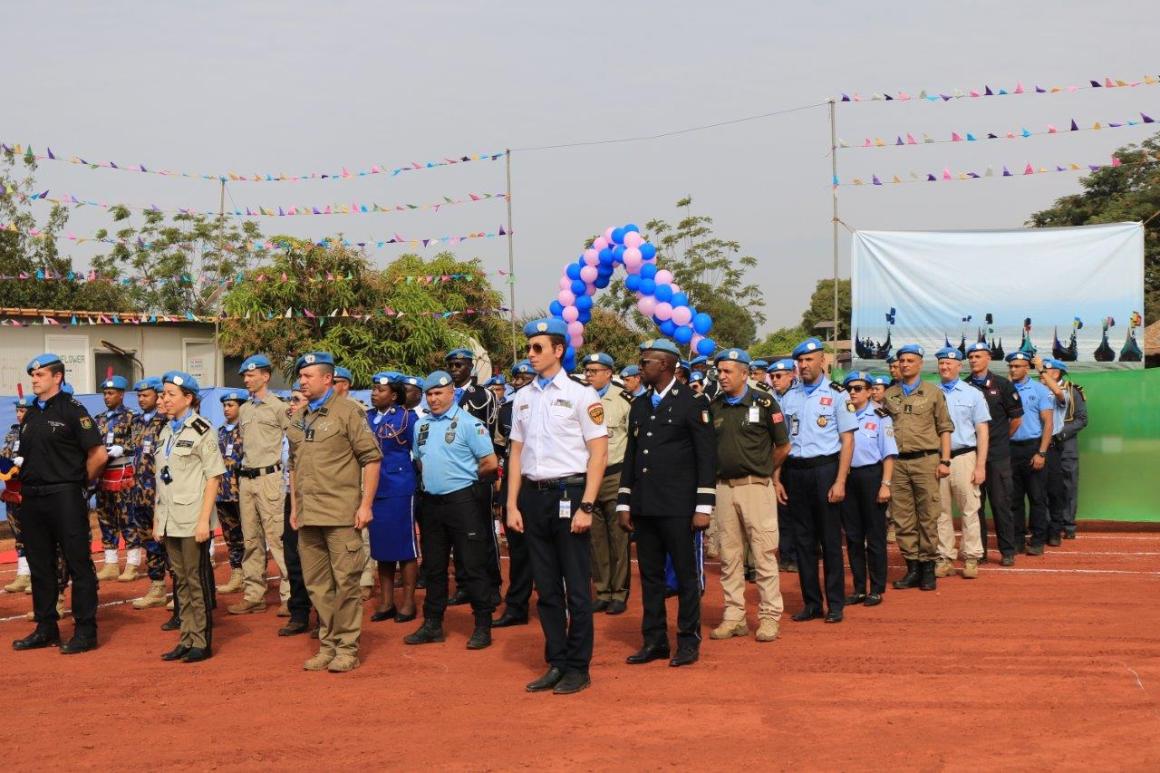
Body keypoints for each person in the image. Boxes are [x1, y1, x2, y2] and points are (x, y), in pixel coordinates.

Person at [507, 319, 608, 694]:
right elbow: (516, 453)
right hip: (533, 497)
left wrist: (587, 505)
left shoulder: (582, 394)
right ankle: (557, 661)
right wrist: (511, 504)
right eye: (529, 348)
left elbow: (599, 453)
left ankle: (578, 667)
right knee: (546, 588)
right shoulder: (523, 397)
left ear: (558, 350)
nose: (531, 354)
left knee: (577, 588)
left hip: (570, 494)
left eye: (538, 348)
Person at [618, 338, 714, 666]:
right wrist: (624, 502)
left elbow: (706, 457)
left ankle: (688, 641)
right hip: (646, 505)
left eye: (646, 362)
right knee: (651, 576)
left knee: (686, 577)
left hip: (679, 507)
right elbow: (632, 456)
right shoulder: (640, 405)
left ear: (665, 365)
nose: (640, 367)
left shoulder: (692, 402)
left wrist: (703, 506)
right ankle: (655, 640)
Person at [287, 352, 382, 673]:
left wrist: (366, 505)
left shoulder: (348, 412)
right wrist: (295, 507)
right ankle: (327, 646)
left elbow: (371, 458)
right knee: (317, 586)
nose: (302, 381)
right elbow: (294, 464)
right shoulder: (299, 417)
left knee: (346, 584)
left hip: (341, 514)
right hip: (308, 515)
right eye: (301, 376)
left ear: (327, 379)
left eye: (308, 376)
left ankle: (347, 648)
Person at [12, 354, 107, 654]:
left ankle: (85, 630)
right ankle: (46, 627)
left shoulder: (73, 410)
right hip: (32, 499)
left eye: (40, 374)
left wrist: (78, 484)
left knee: (78, 563)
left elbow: (98, 455)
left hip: (64, 495)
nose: (34, 379)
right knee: (40, 565)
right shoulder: (31, 415)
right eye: (33, 375)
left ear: (57, 377)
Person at [404, 370, 498, 650]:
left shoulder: (470, 423)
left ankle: (482, 625)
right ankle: (433, 623)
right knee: (434, 567)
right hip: (432, 504)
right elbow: (419, 460)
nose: (433, 399)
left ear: (451, 393)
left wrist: (463, 480)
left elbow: (490, 463)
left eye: (438, 393)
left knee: (472, 564)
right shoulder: (421, 426)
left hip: (463, 501)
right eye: (429, 394)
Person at [708, 348, 790, 643]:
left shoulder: (764, 402)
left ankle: (769, 617)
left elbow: (783, 446)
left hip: (756, 486)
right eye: (719, 371)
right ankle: (734, 617)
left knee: (763, 553)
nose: (722, 376)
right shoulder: (715, 406)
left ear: (744, 373)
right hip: (723, 488)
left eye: (728, 371)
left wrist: (765, 469)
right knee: (729, 557)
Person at [774, 338, 857, 623]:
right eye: (800, 360)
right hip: (795, 472)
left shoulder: (837, 394)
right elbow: (781, 442)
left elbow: (848, 441)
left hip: (825, 470)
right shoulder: (789, 397)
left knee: (830, 540)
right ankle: (811, 603)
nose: (804, 365)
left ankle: (835, 604)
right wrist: (777, 479)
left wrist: (841, 480)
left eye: (809, 360)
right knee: (803, 541)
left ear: (822, 361)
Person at [153, 371, 223, 663]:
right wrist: (158, 520)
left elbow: (213, 477)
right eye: (164, 394)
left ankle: (201, 641)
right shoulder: (166, 431)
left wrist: (204, 521)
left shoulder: (202, 429)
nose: (165, 399)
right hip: (170, 518)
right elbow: (162, 479)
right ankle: (186, 637)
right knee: (180, 580)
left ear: (188, 398)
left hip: (193, 518)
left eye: (171, 394)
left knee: (195, 580)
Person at [880, 344, 954, 592]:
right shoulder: (889, 395)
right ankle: (912, 567)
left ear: (920, 364)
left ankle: (928, 568)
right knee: (902, 517)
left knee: (928, 515)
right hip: (898, 463)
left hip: (926, 461)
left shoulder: (933, 393)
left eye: (910, 360)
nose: (905, 364)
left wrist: (945, 461)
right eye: (902, 361)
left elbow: (945, 428)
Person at [229, 355, 292, 615]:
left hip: (270, 479)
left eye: (251, 375)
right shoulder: (244, 409)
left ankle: (290, 596)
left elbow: (294, 440)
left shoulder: (279, 407)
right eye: (245, 376)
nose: (246, 379)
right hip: (247, 479)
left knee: (277, 538)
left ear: (265, 377)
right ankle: (254, 594)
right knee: (251, 539)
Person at [443, 347, 502, 606]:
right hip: (452, 475)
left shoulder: (483, 395)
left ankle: (492, 585)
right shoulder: (444, 394)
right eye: (451, 365)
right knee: (458, 534)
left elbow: (491, 433)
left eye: (459, 365)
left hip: (478, 473)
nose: (454, 370)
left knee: (484, 532)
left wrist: (491, 470)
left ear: (471, 366)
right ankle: (465, 585)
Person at [581, 352, 633, 616]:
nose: (589, 375)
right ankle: (602, 591)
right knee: (596, 538)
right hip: (588, 476)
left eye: (594, 370)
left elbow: (634, 443)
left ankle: (619, 592)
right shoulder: (580, 398)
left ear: (609, 373)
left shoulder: (624, 400)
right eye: (587, 370)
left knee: (618, 537)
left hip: (615, 475)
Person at [366, 372, 419, 624]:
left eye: (381, 390)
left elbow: (418, 452)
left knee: (405, 547)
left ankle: (408, 601)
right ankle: (387, 602)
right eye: (374, 389)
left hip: (399, 488)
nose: (374, 393)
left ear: (394, 395)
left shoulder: (407, 417)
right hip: (374, 489)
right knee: (382, 547)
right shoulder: (366, 417)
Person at [933, 348, 990, 580]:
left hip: (965, 457)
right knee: (940, 511)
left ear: (959, 366)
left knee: (970, 509)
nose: (945, 367)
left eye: (949, 363)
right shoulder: (930, 392)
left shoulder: (972, 394)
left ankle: (971, 557)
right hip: (937, 458)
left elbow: (982, 431)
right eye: (941, 363)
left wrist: (980, 465)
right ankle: (944, 557)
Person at [840, 372, 896, 607]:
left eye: (858, 388)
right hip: (847, 477)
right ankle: (859, 588)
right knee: (853, 536)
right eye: (849, 388)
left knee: (874, 536)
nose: (852, 392)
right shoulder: (842, 414)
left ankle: (876, 588)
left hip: (871, 476)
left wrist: (885, 484)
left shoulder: (881, 416)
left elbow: (889, 453)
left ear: (870, 391)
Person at [965, 342, 1023, 566]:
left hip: (998, 456)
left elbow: (1016, 419)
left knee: (1001, 504)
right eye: (971, 357)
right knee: (975, 506)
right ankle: (978, 551)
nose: (973, 360)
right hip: (971, 456)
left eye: (978, 356)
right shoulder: (964, 386)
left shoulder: (1003, 385)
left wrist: (998, 440)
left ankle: (1007, 550)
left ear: (988, 358)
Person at [493, 360, 535, 627]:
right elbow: (501, 452)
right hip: (514, 484)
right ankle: (517, 606)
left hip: (543, 484)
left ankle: (558, 602)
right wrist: (502, 495)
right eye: (516, 378)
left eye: (525, 378)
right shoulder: (506, 410)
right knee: (518, 550)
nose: (519, 383)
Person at [1006, 352, 1053, 556]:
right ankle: (1017, 540)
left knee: (1037, 497)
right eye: (1011, 366)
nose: (1013, 369)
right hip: (1010, 449)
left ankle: (1037, 539)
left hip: (1032, 448)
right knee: (1013, 498)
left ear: (1027, 368)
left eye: (1017, 366)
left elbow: (1048, 423)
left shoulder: (1039, 389)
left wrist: (1041, 452)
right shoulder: (1005, 388)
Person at [277, 387, 315, 637]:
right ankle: (299, 613)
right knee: (293, 557)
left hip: (316, 497)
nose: (291, 404)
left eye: (296, 400)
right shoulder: (290, 430)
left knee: (318, 559)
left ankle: (324, 615)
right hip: (293, 498)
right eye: (290, 400)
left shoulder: (317, 428)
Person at [94, 375, 139, 582]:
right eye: (105, 393)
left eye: (111, 393)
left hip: (123, 472)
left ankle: (132, 563)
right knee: (106, 518)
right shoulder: (99, 419)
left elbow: (140, 441)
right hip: (103, 474)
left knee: (127, 518)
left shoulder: (132, 417)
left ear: (121, 395)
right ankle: (111, 563)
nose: (107, 396)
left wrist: (124, 448)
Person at [1040, 359, 1087, 543]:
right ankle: (1047, 525)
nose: (1042, 373)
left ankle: (1068, 525)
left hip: (1066, 447)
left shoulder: (1073, 391)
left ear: (1056, 372)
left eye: (1046, 369)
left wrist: (1059, 433)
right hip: (1043, 446)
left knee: (1068, 486)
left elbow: (1082, 419)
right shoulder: (1038, 390)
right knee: (1043, 487)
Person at [767, 358, 799, 571]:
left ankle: (798, 556)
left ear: (791, 376)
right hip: (775, 459)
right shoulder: (768, 397)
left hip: (794, 459)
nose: (775, 380)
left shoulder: (798, 396)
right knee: (781, 511)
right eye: (773, 377)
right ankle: (786, 555)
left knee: (798, 510)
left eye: (779, 376)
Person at [215, 391, 246, 593]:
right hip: (222, 492)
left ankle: (253, 574)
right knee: (231, 535)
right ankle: (237, 573)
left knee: (249, 535)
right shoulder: (220, 431)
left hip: (242, 491)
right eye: (225, 405)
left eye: (231, 405)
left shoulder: (247, 430)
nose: (226, 409)